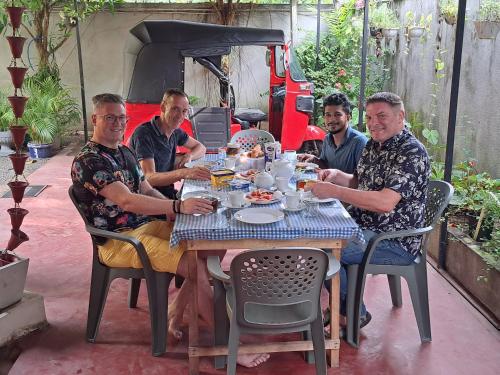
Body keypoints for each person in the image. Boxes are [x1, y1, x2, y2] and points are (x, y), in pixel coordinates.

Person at [71, 93, 269, 368]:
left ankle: (175, 312)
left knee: (208, 243)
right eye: (109, 117)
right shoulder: (90, 160)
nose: (117, 123)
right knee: (194, 263)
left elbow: (145, 187)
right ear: (95, 119)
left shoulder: (123, 151)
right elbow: (127, 200)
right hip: (121, 240)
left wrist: (171, 210)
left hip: (144, 224)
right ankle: (227, 343)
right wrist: (177, 206)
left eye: (121, 117)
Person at [306, 92, 430, 334]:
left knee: (324, 252)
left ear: (400, 116)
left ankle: (350, 315)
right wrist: (336, 176)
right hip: (363, 226)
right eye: (370, 116)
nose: (373, 123)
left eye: (381, 116)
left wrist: (334, 191)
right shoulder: (375, 144)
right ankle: (349, 310)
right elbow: (359, 183)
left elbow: (384, 202)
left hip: (394, 240)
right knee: (316, 240)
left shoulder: (411, 152)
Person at [129, 88, 211, 199]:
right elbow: (149, 178)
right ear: (163, 107)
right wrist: (185, 173)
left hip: (167, 192)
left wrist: (189, 156)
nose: (180, 116)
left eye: (184, 111)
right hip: (148, 199)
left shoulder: (175, 131)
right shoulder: (144, 134)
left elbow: (201, 147)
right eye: (175, 109)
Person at [298, 92, 367, 174]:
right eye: (328, 115)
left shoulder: (360, 142)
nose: (332, 120)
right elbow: (325, 166)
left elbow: (363, 180)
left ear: (348, 117)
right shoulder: (327, 139)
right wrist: (314, 159)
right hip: (327, 185)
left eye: (337, 114)